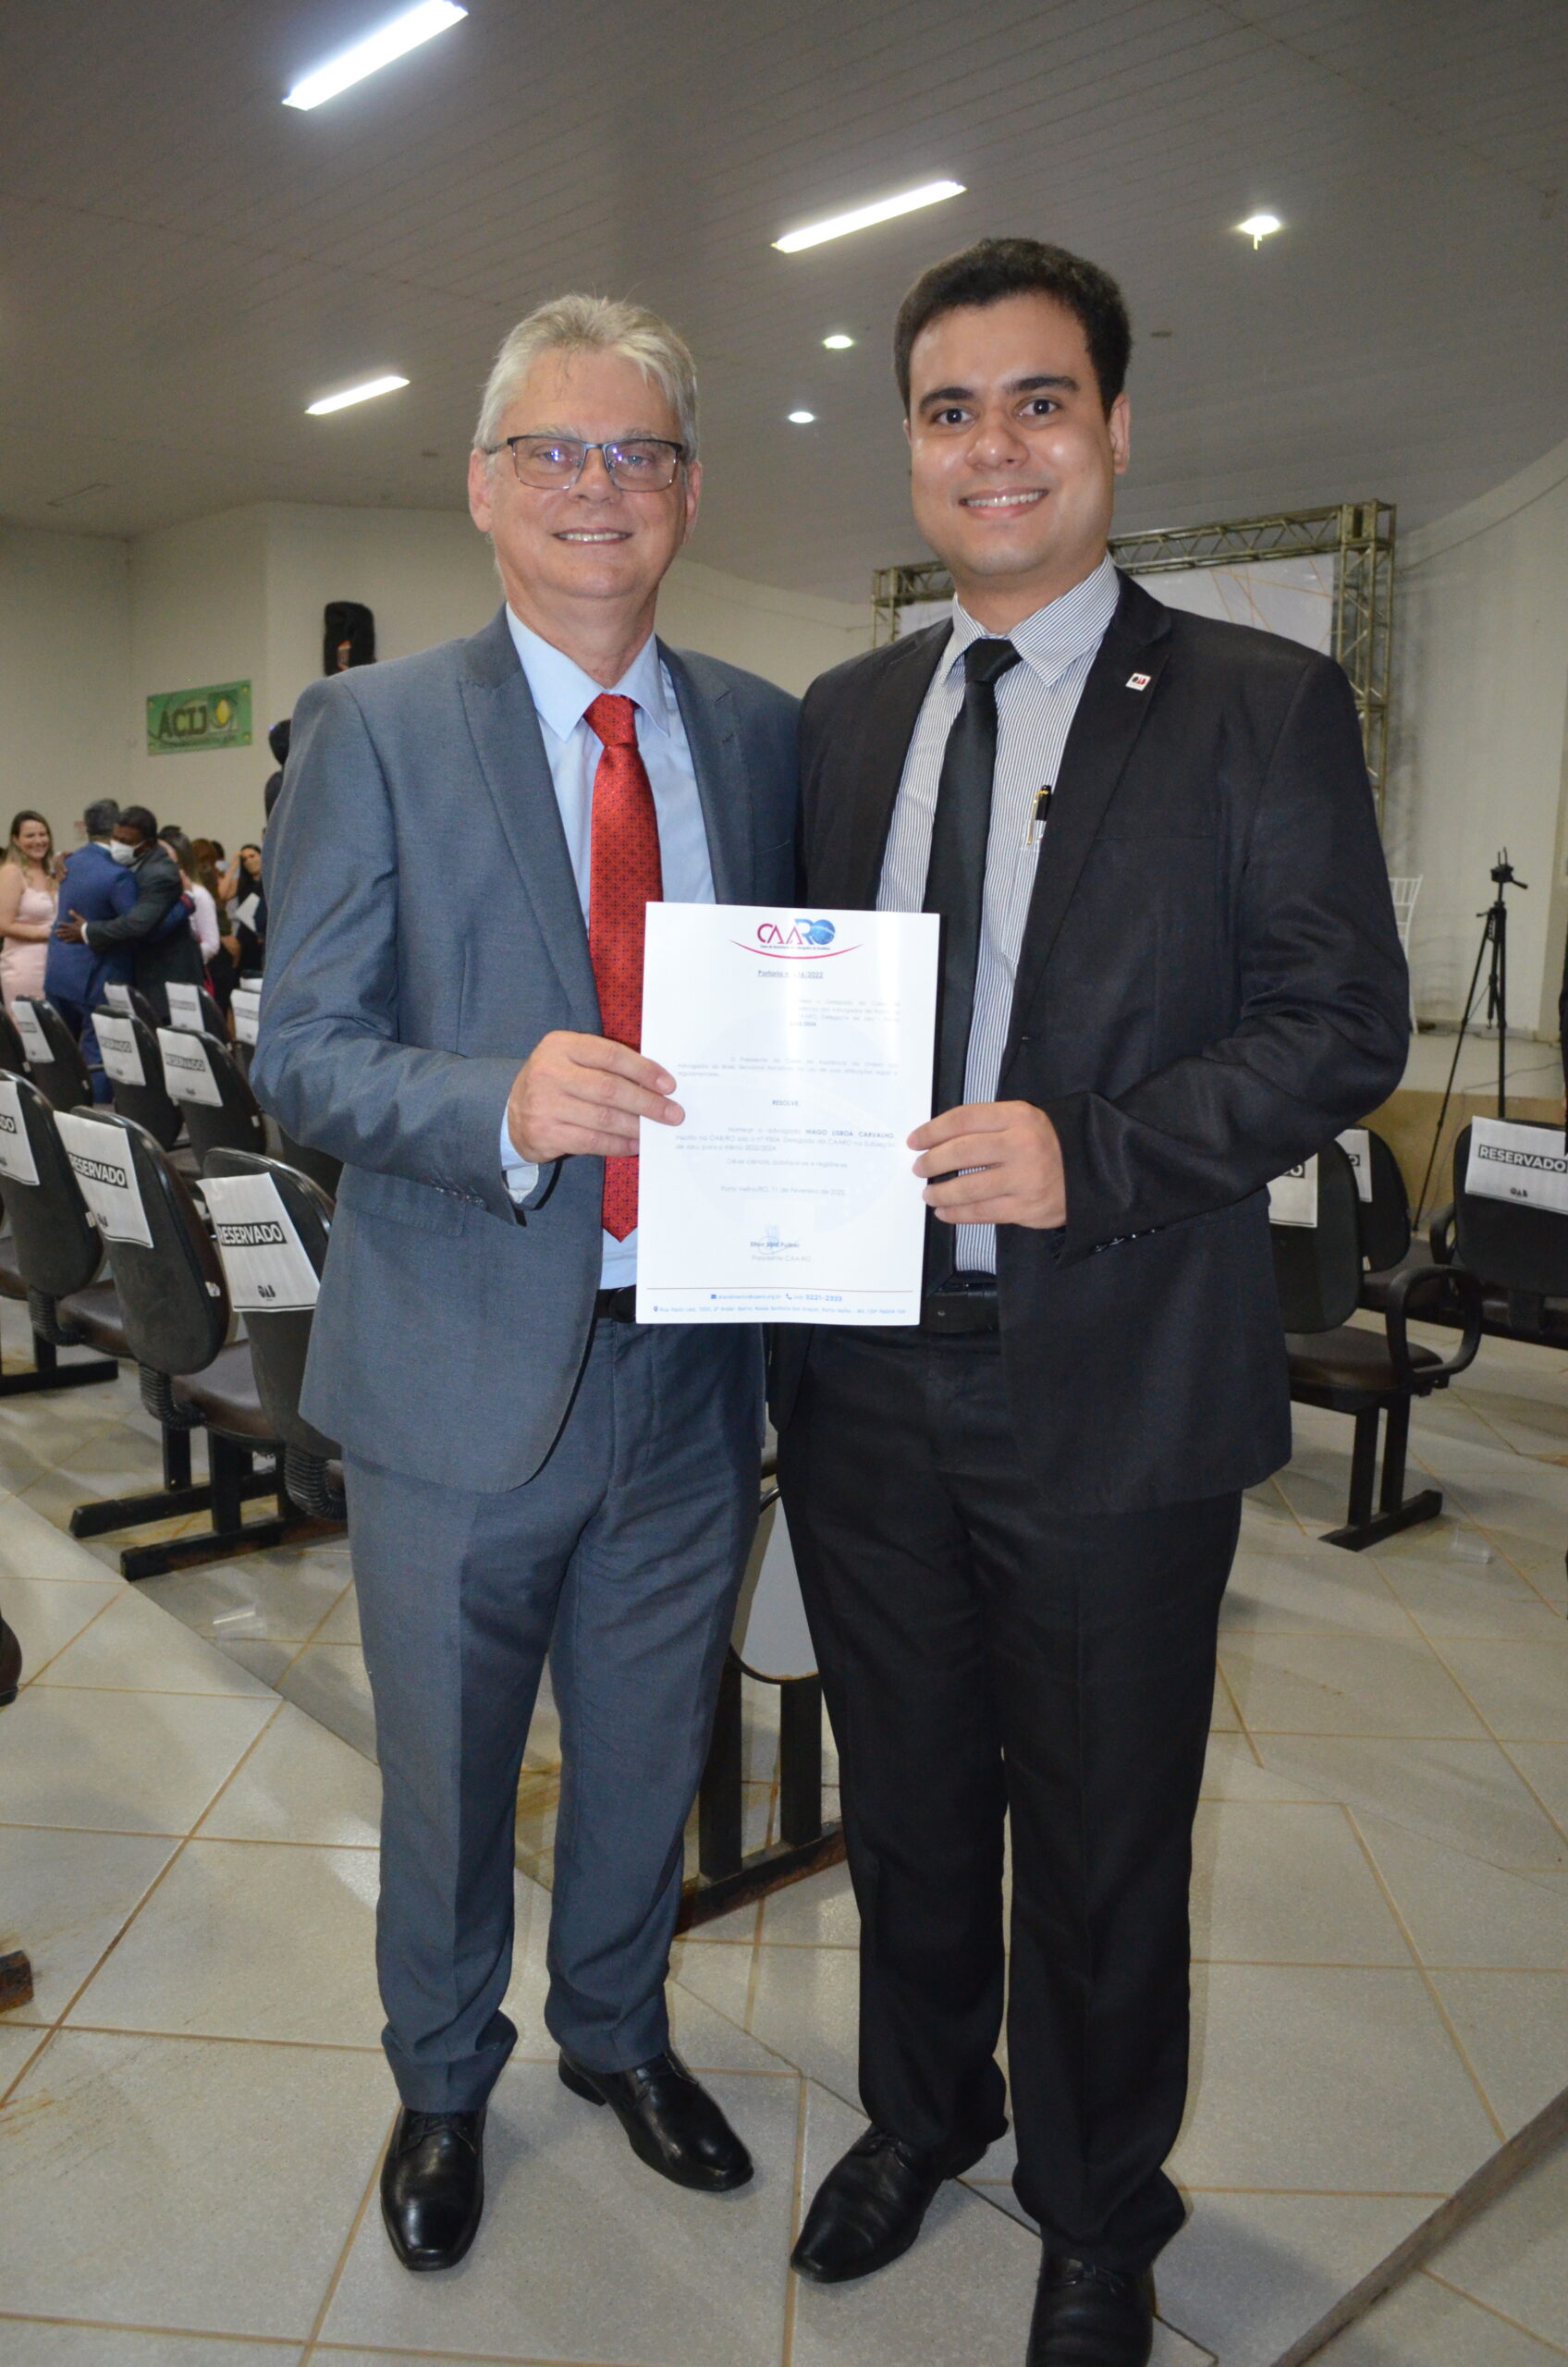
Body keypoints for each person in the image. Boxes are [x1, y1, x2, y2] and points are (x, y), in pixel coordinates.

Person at [772, 238, 1409, 2367]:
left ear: (1113, 428)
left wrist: (1093, 1148)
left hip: (1116, 1374)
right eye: (948, 408)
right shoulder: (850, 717)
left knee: (1106, 1835)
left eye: (1036, 400)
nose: (993, 446)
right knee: (905, 1798)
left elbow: (1337, 1019)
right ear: (911, 443)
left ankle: (1094, 2207)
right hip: (863, 1371)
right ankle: (917, 2111)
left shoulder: (1250, 702)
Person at [251, 293, 797, 2276]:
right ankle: (440, 2073)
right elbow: (299, 1052)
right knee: (451, 1768)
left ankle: (618, 2032)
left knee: (648, 1746)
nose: (596, 486)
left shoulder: (759, 730)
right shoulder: (376, 729)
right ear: (483, 487)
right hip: (457, 1361)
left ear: (687, 492)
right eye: (551, 450)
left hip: (689, 1361)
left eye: (635, 450)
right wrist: (498, 1100)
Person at [54, 804, 205, 1023]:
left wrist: (88, 930)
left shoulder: (160, 873)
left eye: (125, 841)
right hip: (140, 974)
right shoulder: (129, 857)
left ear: (147, 845)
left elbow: (140, 926)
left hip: (167, 977)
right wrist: (64, 857)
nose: (117, 845)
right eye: (115, 838)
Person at [44, 798, 138, 1098]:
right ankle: (95, 1117)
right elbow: (135, 926)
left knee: (61, 1058)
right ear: (117, 828)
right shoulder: (118, 873)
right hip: (98, 975)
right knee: (99, 1058)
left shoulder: (68, 863)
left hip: (60, 972)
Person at [0, 811, 58, 1013]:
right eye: (30, 836)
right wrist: (48, 933)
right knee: (31, 1025)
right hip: (25, 965)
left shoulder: (52, 870)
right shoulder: (11, 872)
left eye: (43, 834)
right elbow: (3, 925)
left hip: (57, 963)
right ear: (16, 840)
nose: (39, 841)